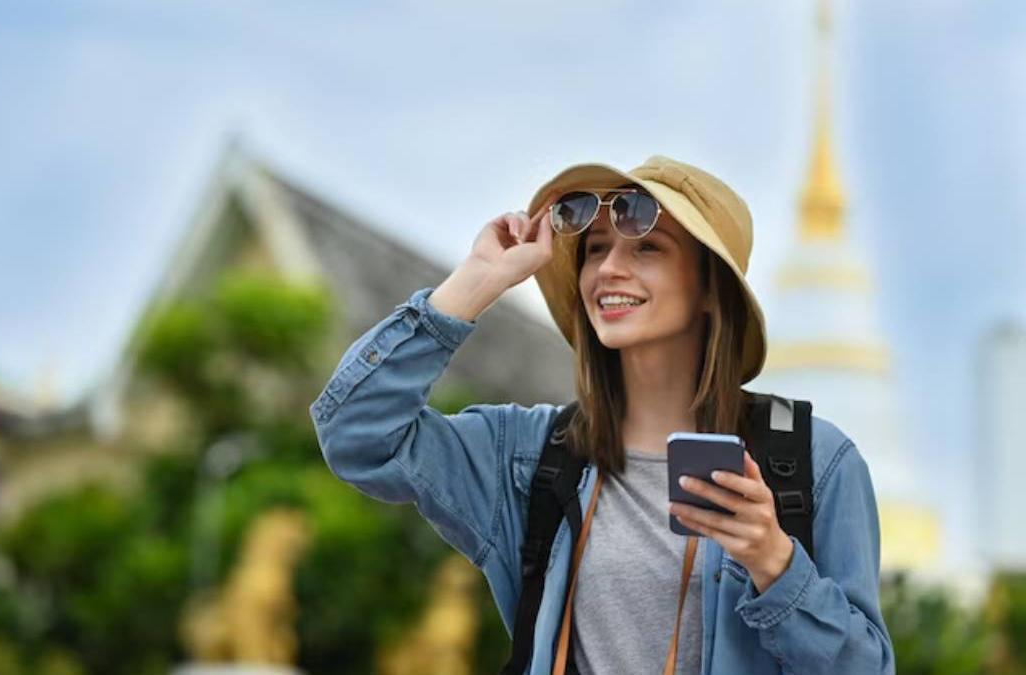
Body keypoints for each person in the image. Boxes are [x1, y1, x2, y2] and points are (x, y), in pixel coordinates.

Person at [309, 155, 894, 674]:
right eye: (594, 250)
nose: (609, 268)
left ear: (712, 289)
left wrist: (774, 561)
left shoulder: (812, 462)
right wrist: (476, 284)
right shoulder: (526, 454)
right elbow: (356, 434)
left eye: (647, 247)